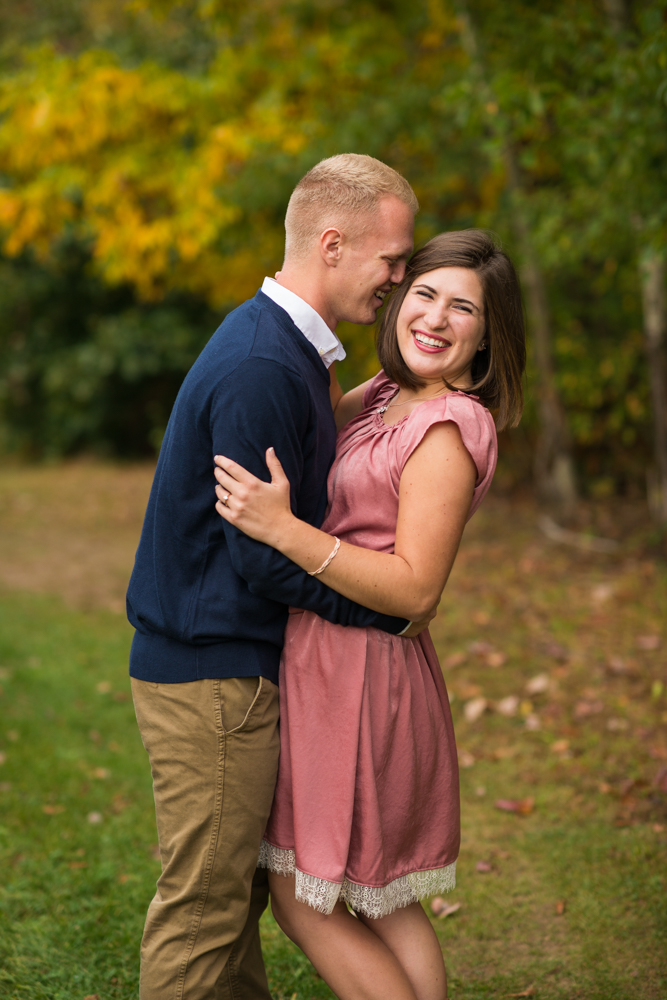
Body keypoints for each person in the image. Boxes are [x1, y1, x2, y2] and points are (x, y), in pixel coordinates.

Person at [126, 153, 435, 1000]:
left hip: (230, 670)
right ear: (332, 244)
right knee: (203, 913)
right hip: (212, 677)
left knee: (232, 907)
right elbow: (262, 555)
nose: (399, 279)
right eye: (393, 260)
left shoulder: (290, 351)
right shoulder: (265, 363)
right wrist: (386, 610)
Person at [213, 229, 527, 1000]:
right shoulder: (389, 395)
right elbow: (312, 419)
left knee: (301, 896)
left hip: (364, 672)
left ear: (486, 339)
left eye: (463, 308)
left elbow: (417, 590)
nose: (435, 317)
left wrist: (285, 531)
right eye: (422, 293)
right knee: (381, 898)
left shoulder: (446, 427)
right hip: (332, 661)